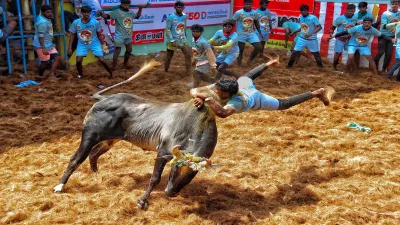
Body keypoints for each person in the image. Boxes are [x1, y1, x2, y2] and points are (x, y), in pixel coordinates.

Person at [190, 58, 335, 118]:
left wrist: (207, 98)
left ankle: (316, 93)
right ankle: (268, 63)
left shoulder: (238, 101)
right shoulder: (225, 85)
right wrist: (198, 96)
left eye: (218, 92)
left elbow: (222, 113)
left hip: (255, 99)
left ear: (227, 94)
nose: (215, 91)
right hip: (245, 85)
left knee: (284, 104)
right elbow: (193, 90)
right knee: (246, 76)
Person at [329, 18, 393, 75]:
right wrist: (334, 36)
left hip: (363, 46)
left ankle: (375, 74)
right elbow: (345, 32)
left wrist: (391, 39)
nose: (367, 24)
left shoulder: (373, 29)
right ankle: (348, 72)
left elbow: (382, 35)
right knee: (350, 57)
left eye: (369, 23)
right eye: (365, 22)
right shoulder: (357, 28)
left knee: (370, 59)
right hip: (352, 45)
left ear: (371, 24)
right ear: (363, 23)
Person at [97, 0, 146, 70]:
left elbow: (137, 16)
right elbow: (106, 16)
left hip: (128, 35)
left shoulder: (130, 12)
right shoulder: (117, 12)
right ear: (121, 5)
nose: (127, 6)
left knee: (129, 50)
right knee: (117, 51)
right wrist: (101, 13)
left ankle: (125, 65)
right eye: (125, 5)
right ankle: (113, 67)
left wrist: (140, 8)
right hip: (119, 36)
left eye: (128, 5)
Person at [68, 6, 112, 79]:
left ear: (90, 13)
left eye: (88, 12)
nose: (86, 14)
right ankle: (81, 75)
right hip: (82, 44)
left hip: (94, 43)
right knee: (78, 61)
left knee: (102, 60)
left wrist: (103, 45)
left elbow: (99, 35)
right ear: (81, 13)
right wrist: (70, 48)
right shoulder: (76, 22)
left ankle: (110, 73)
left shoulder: (95, 22)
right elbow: (72, 35)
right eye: (84, 12)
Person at [33, 5, 61, 79]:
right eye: (47, 12)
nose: (50, 14)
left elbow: (42, 7)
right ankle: (39, 76)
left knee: (57, 58)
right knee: (44, 62)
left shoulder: (42, 16)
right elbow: (40, 36)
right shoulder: (42, 23)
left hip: (49, 44)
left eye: (51, 12)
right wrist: (43, 48)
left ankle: (52, 75)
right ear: (42, 13)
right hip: (41, 45)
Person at [164, 0, 192, 77]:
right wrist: (172, 40)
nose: (179, 8)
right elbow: (167, 29)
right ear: (175, 7)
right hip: (172, 40)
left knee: (188, 55)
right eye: (178, 7)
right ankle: (166, 71)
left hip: (182, 39)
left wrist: (185, 36)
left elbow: (184, 27)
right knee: (169, 56)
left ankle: (188, 72)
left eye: (181, 7)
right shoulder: (171, 17)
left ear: (184, 8)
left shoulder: (185, 16)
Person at [232, 0, 263, 66]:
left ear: (252, 4)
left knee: (258, 47)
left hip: (251, 33)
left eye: (250, 4)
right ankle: (239, 65)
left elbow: (256, 22)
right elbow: (233, 22)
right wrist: (232, 33)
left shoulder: (255, 13)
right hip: (240, 34)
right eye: (247, 4)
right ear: (244, 4)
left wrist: (260, 32)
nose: (248, 5)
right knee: (240, 50)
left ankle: (249, 61)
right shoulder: (238, 12)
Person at [374, 0, 400, 74]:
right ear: (390, 4)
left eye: (396, 4)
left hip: (393, 36)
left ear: (398, 4)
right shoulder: (385, 14)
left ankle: (383, 69)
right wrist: (396, 23)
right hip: (383, 35)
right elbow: (384, 26)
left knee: (388, 54)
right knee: (380, 52)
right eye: (392, 4)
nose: (394, 5)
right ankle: (374, 67)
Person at [329, 4, 357, 71]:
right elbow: (332, 27)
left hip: (350, 39)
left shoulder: (356, 18)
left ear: (354, 11)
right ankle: (334, 67)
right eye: (349, 11)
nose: (350, 13)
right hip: (340, 39)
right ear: (346, 10)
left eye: (352, 11)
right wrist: (331, 34)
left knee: (351, 54)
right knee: (338, 54)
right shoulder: (340, 18)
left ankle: (350, 69)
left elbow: (357, 27)